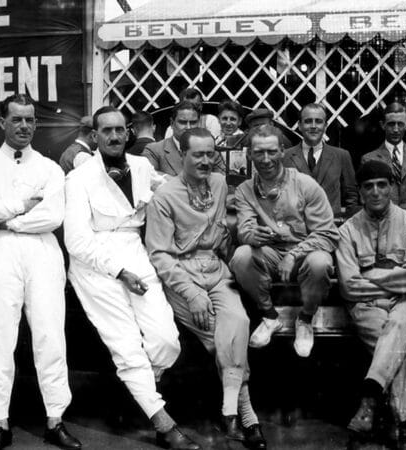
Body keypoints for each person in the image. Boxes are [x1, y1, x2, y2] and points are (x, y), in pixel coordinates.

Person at [64, 106, 201, 450]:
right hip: (96, 264)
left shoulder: (141, 167)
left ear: (128, 134)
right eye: (106, 131)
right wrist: (119, 272)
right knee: (126, 345)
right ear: (94, 137)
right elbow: (77, 242)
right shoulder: (78, 179)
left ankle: (141, 386)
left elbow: (171, 185)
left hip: (135, 254)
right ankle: (163, 422)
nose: (113, 136)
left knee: (166, 340)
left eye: (119, 130)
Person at [0, 94, 81, 450]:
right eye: (16, 119)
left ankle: (55, 419)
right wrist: (19, 206)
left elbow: (52, 216)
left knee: (50, 335)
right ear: (2, 122)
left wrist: (9, 220)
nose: (24, 127)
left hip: (42, 250)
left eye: (30, 120)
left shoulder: (50, 169)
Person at [145, 128, 267, 450]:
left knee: (238, 323)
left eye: (209, 154)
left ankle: (234, 415)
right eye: (196, 154)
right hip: (184, 277)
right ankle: (245, 416)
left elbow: (227, 230)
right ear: (181, 155)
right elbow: (160, 255)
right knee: (221, 338)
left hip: (217, 271)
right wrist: (191, 293)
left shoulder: (218, 183)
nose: (204, 160)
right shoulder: (164, 198)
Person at [336, 160, 406, 446]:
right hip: (367, 305)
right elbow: (349, 285)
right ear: (361, 192)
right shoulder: (348, 230)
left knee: (399, 322)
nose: (375, 192)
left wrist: (373, 275)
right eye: (368, 187)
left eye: (381, 185)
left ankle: (369, 400)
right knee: (392, 335)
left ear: (391, 188)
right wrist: (387, 284)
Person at [229, 125, 339, 358]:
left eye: (271, 151)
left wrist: (294, 254)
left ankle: (306, 319)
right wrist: (251, 234)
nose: (266, 159)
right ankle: (270, 317)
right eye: (259, 152)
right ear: (249, 154)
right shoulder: (244, 190)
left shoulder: (305, 184)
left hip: (304, 255)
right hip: (269, 254)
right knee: (241, 256)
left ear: (282, 151)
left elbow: (327, 234)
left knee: (321, 262)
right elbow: (244, 230)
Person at [284, 103, 357, 216]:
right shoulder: (285, 156)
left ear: (325, 126)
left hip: (330, 226)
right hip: (296, 228)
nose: (313, 126)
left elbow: (351, 195)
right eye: (308, 121)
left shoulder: (341, 156)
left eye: (318, 121)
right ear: (299, 125)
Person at [361, 103, 406, 209]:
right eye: (391, 124)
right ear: (383, 125)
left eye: (400, 124)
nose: (396, 129)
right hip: (384, 219)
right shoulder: (369, 159)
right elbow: (365, 196)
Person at [143, 100, 226, 178]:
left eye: (193, 123)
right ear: (172, 123)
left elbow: (222, 182)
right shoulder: (154, 150)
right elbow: (150, 178)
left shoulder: (212, 152)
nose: (188, 127)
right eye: (183, 122)